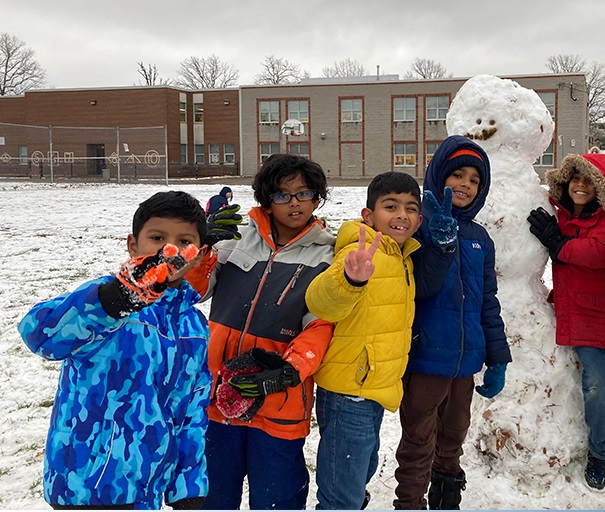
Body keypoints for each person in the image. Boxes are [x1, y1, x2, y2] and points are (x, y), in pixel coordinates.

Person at [18, 190, 211, 510]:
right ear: (133, 245)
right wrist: (111, 301)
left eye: (184, 241)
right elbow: (38, 333)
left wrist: (188, 487)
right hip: (85, 485)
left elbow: (191, 409)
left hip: (147, 490)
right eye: (157, 237)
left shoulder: (194, 328)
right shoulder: (109, 304)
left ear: (199, 255)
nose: (170, 249)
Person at [186, 154, 336, 510]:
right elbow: (196, 290)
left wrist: (290, 370)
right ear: (267, 199)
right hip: (216, 395)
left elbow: (320, 325)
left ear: (317, 197)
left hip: (280, 399)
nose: (294, 202)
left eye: (304, 193)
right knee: (211, 494)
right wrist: (204, 250)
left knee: (277, 498)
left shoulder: (327, 256)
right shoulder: (235, 239)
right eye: (282, 195)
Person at [393, 135, 510, 510]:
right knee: (418, 439)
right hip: (426, 357)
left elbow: (487, 302)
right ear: (438, 176)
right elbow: (417, 290)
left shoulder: (480, 238)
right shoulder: (416, 225)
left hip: (466, 362)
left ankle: (446, 501)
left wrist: (497, 356)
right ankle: (409, 502)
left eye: (474, 180)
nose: (465, 184)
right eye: (457, 174)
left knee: (454, 435)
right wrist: (436, 242)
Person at [527, 153, 605, 492]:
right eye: (575, 179)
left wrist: (558, 244)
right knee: (594, 387)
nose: (580, 186)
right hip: (580, 316)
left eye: (589, 181)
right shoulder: (562, 218)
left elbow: (596, 254)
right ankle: (599, 451)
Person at [305, 171, 423, 510]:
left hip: (372, 389)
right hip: (348, 390)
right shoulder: (358, 255)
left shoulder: (402, 256)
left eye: (411, 208)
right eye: (391, 206)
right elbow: (320, 301)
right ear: (368, 216)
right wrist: (350, 279)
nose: (402, 215)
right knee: (342, 491)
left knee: (362, 467)